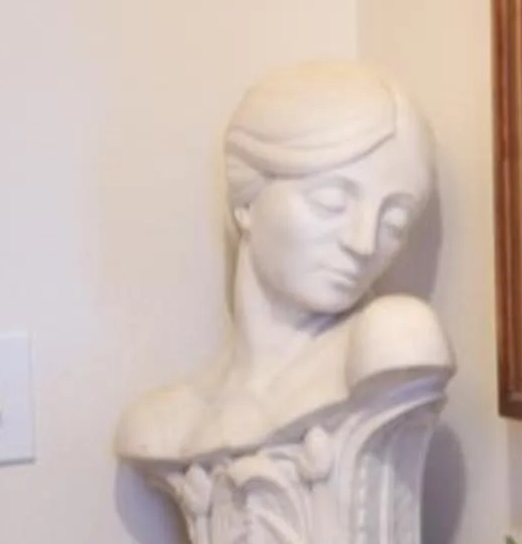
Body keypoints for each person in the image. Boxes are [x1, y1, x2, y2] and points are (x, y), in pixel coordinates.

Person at [117, 63, 451, 466]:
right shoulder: (167, 420)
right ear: (246, 201)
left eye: (394, 222)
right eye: (331, 202)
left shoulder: (394, 341)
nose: (363, 243)